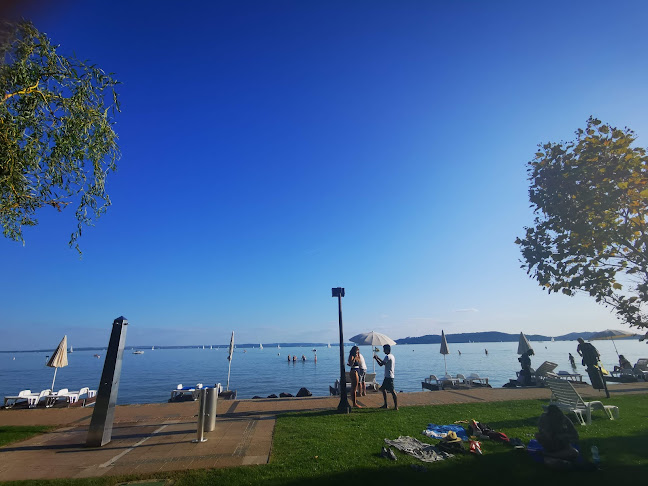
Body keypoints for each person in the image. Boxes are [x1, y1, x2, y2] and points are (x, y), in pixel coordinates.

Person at [374, 344, 398, 410]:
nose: (383, 350)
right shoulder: (391, 356)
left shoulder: (387, 357)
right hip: (389, 375)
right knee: (383, 389)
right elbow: (384, 362)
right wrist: (378, 358)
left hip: (389, 376)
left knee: (392, 391)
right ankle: (385, 404)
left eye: (384, 349)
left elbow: (381, 364)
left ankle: (396, 406)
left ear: (387, 349)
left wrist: (376, 359)